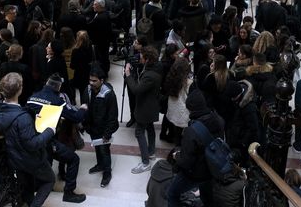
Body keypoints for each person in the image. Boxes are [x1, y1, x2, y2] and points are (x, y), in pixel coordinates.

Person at [0, 73, 56, 207]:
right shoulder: (22, 118)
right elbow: (33, 144)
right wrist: (50, 130)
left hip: (14, 157)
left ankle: (29, 201)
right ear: (19, 90)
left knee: (27, 185)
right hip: (31, 159)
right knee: (49, 180)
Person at [27, 74, 88, 203]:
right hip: (47, 140)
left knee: (46, 162)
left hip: (31, 140)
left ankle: (39, 186)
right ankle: (69, 193)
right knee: (73, 159)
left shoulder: (32, 97)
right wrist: (83, 109)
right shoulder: (57, 101)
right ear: (58, 87)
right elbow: (76, 117)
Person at [167, 89, 224, 207]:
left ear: (191, 108)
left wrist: (176, 155)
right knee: (208, 199)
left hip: (196, 174)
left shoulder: (191, 131)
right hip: (212, 169)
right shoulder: (218, 119)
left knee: (172, 194)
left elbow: (186, 162)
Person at [125, 46, 162, 174]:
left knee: (139, 132)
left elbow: (136, 90)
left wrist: (128, 75)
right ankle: (151, 152)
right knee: (150, 128)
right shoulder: (153, 68)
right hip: (151, 106)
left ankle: (145, 162)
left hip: (146, 108)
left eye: (141, 56)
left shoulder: (150, 76)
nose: (139, 57)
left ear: (147, 59)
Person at [81, 66, 119, 188]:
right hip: (92, 127)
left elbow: (112, 116)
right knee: (97, 148)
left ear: (102, 81)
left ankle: (107, 172)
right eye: (90, 80)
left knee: (104, 150)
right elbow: (84, 106)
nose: (91, 83)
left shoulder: (109, 95)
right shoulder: (87, 90)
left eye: (94, 81)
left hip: (103, 129)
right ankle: (100, 165)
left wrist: (107, 134)